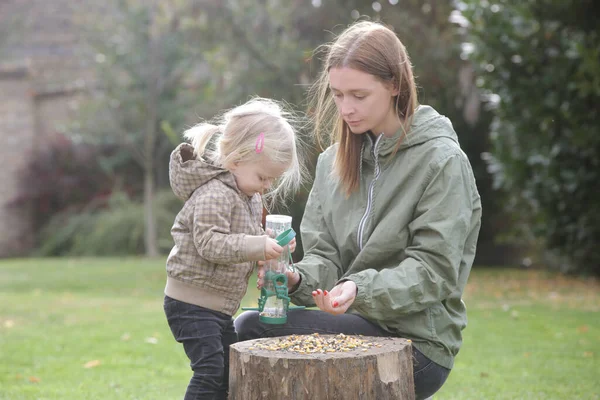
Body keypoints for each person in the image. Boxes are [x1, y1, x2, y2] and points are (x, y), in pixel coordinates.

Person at [234, 21, 482, 400]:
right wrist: (294, 278)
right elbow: (325, 256)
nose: (346, 108)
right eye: (337, 95)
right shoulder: (333, 162)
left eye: (359, 95)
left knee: (249, 328)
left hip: (417, 342)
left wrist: (357, 287)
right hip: (353, 323)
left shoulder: (442, 161)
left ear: (395, 85)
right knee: (247, 325)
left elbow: (435, 273)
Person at [163, 97, 304, 400]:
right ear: (236, 159)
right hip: (191, 302)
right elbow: (210, 244)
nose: (266, 186)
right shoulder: (214, 194)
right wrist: (257, 245)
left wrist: (276, 245)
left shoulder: (248, 196)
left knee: (230, 372)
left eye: (272, 179)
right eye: (263, 177)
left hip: (217, 306)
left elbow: (248, 240)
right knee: (211, 371)